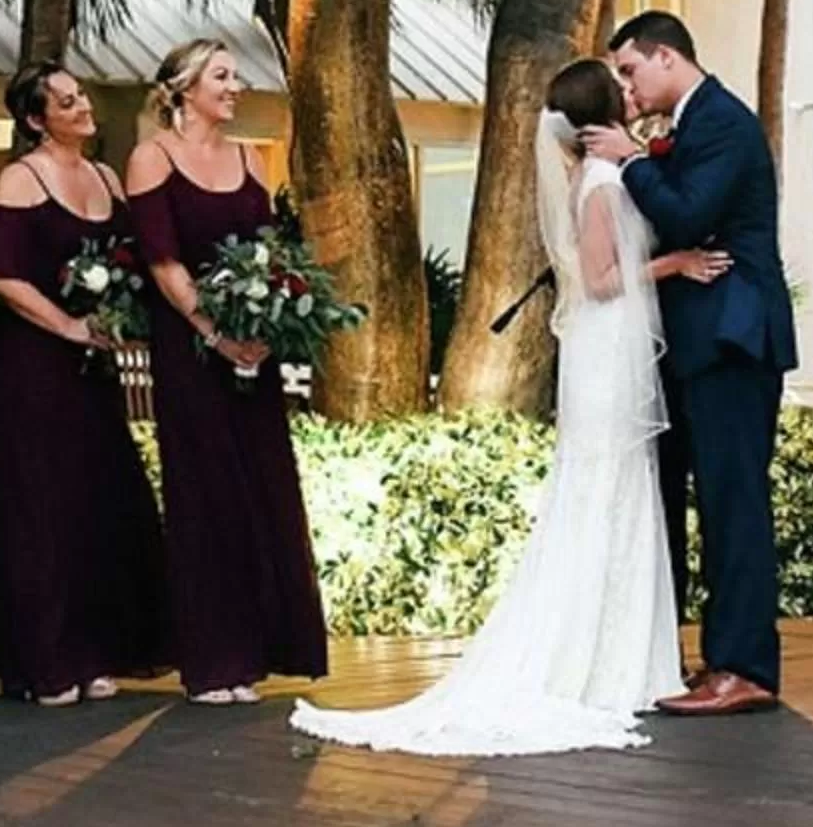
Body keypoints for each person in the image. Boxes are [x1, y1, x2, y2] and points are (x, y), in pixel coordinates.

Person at [297, 58, 702, 754]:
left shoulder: (591, 175)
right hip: (605, 351)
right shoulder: (604, 182)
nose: (633, 92)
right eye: (622, 86)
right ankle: (604, 662)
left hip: (603, 352)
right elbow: (603, 282)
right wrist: (674, 262)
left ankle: (622, 655)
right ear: (605, 108)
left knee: (611, 491)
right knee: (606, 490)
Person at [582, 11, 799, 717]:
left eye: (631, 69)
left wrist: (634, 161)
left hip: (734, 338)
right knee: (703, 499)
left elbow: (686, 214)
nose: (627, 86)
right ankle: (709, 657)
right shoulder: (693, 124)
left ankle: (746, 668)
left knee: (734, 504)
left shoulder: (726, 124)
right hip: (696, 343)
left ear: (667, 57)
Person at [125, 39, 330, 704]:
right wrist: (214, 334)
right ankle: (212, 661)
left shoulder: (251, 158)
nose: (235, 86)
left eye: (235, 76)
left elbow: (272, 258)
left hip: (253, 355)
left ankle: (260, 651)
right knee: (205, 496)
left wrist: (267, 331)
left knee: (259, 491)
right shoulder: (151, 157)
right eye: (222, 76)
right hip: (190, 351)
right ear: (184, 88)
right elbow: (162, 262)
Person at [0, 61, 168, 704]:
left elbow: (127, 261)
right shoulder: (19, 181)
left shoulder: (108, 177)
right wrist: (68, 326)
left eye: (82, 94)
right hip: (31, 364)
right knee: (39, 506)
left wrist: (115, 318)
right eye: (66, 100)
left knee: (95, 501)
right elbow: (1, 275)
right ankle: (43, 660)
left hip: (91, 367)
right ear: (35, 119)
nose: (83, 106)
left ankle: (94, 649)